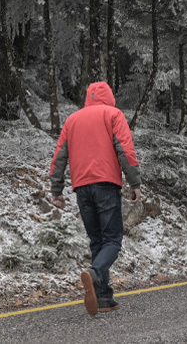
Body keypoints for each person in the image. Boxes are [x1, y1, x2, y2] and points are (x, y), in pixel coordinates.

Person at [49, 81, 142, 316]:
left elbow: (60, 155)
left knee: (97, 241)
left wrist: (56, 190)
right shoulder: (113, 114)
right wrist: (135, 183)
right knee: (112, 241)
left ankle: (104, 297)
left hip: (81, 188)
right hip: (106, 184)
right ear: (109, 96)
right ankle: (94, 273)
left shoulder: (73, 120)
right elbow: (125, 149)